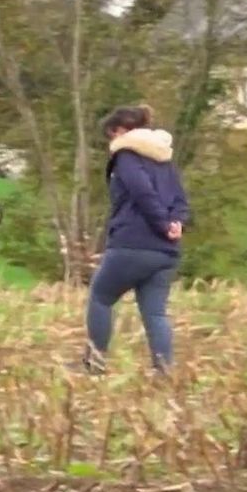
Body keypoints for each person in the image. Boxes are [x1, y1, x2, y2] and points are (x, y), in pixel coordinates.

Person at [81, 105, 191, 375]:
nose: (111, 142)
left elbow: (143, 194)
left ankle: (95, 364)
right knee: (155, 312)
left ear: (121, 131)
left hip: (132, 243)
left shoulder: (127, 156)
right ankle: (163, 369)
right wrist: (177, 224)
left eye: (111, 135)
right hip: (166, 251)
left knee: (100, 297)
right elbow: (181, 201)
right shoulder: (165, 160)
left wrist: (162, 224)